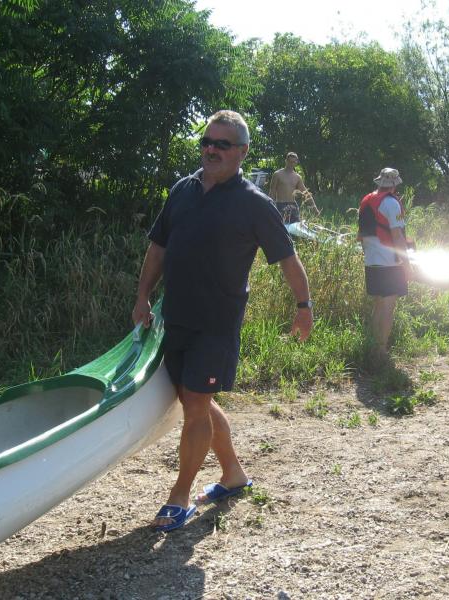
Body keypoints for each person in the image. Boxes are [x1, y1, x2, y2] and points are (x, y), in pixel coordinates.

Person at [132, 110, 314, 531]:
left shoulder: (254, 203)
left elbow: (288, 259)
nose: (211, 149)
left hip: (216, 323)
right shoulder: (183, 189)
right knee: (193, 398)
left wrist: (304, 306)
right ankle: (233, 475)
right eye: (206, 142)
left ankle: (179, 497)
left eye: (222, 144)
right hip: (175, 317)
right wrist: (142, 296)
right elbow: (158, 248)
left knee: (196, 404)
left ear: (242, 152)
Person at [357, 167, 411, 360]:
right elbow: (397, 236)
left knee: (379, 304)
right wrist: (407, 264)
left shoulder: (366, 200)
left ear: (380, 182)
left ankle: (374, 346)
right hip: (390, 263)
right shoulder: (392, 203)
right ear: (394, 185)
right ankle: (381, 351)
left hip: (371, 261)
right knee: (388, 306)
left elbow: (362, 234)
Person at [269, 152, 308, 224]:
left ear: (296, 163)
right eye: (289, 162)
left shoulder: (297, 177)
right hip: (280, 204)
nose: (291, 164)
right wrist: (270, 206)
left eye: (293, 162)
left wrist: (315, 208)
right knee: (281, 225)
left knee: (296, 226)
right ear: (286, 161)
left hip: (293, 205)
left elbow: (306, 192)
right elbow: (272, 191)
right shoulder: (277, 174)